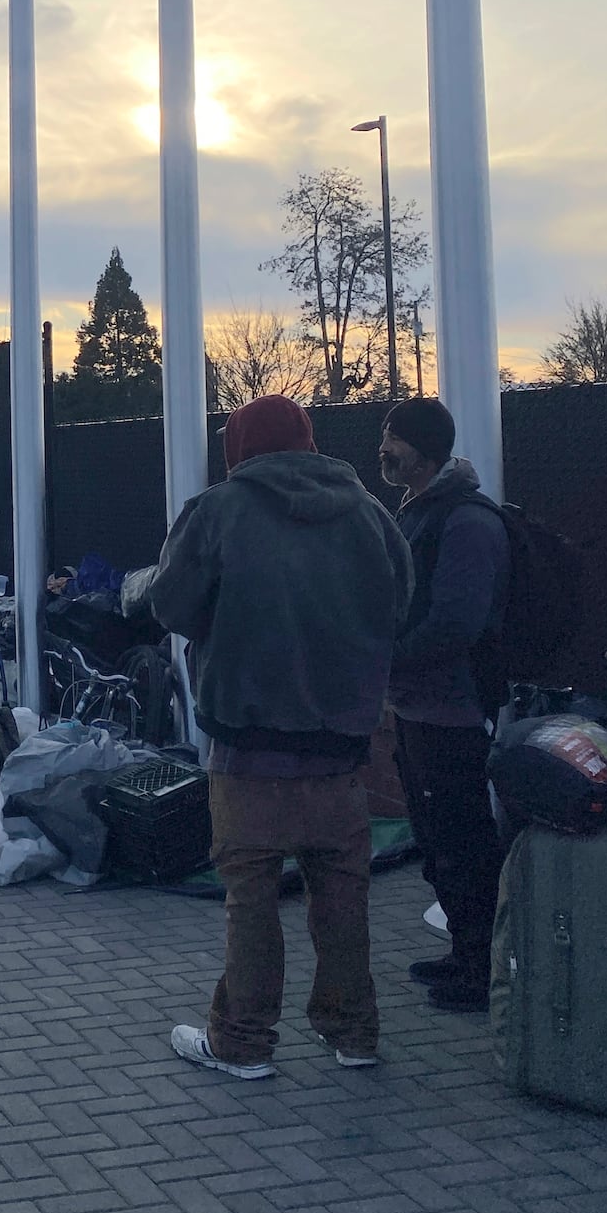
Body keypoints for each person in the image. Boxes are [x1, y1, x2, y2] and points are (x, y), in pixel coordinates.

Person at [148, 395, 413, 1079]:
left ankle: (242, 1042)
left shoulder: (219, 511)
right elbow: (401, 604)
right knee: (342, 897)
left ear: (239, 450)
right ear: (309, 441)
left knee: (252, 900)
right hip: (341, 750)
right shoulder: (370, 514)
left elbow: (170, 604)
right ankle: (354, 1034)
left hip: (247, 749)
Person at [379, 396, 511, 1013]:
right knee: (438, 840)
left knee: (463, 841)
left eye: (393, 438)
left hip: (451, 713)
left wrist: (392, 656)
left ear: (423, 450)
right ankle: (465, 954)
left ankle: (482, 969)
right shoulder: (420, 512)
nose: (384, 448)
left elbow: (458, 622)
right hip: (418, 709)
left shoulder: (465, 521)